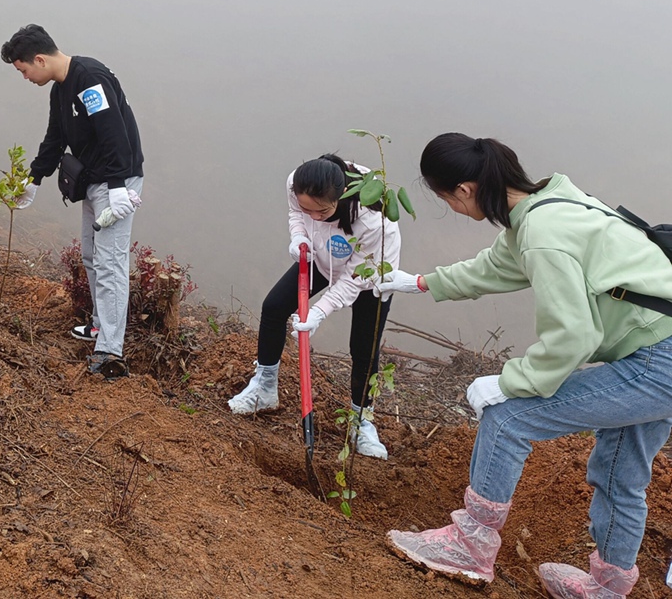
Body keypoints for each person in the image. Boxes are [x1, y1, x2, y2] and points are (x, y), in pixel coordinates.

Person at [377, 133, 672, 596]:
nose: (451, 208)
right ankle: (608, 587)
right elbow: (494, 267)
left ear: (465, 191)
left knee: (507, 416)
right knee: (620, 470)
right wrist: (419, 283)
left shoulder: (542, 235)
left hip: (658, 361)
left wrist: (513, 381)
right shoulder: (549, 201)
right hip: (658, 347)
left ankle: (469, 547)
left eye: (444, 199)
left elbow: (575, 336)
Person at [227, 153, 399, 459]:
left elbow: (354, 280)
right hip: (320, 257)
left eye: (321, 211)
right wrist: (299, 237)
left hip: (369, 273)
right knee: (274, 307)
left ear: (341, 197)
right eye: (309, 210)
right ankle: (264, 389)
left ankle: (362, 422)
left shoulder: (373, 219)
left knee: (364, 348)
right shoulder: (296, 182)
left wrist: (320, 311)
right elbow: (296, 214)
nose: (314, 216)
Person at [0, 24, 144, 379]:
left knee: (110, 264)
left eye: (23, 70)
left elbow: (114, 133)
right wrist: (33, 178)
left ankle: (111, 353)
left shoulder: (90, 78)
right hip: (94, 180)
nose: (25, 78)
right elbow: (55, 138)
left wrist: (117, 187)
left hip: (116, 183)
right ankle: (100, 327)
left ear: (39, 59)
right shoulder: (61, 90)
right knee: (92, 257)